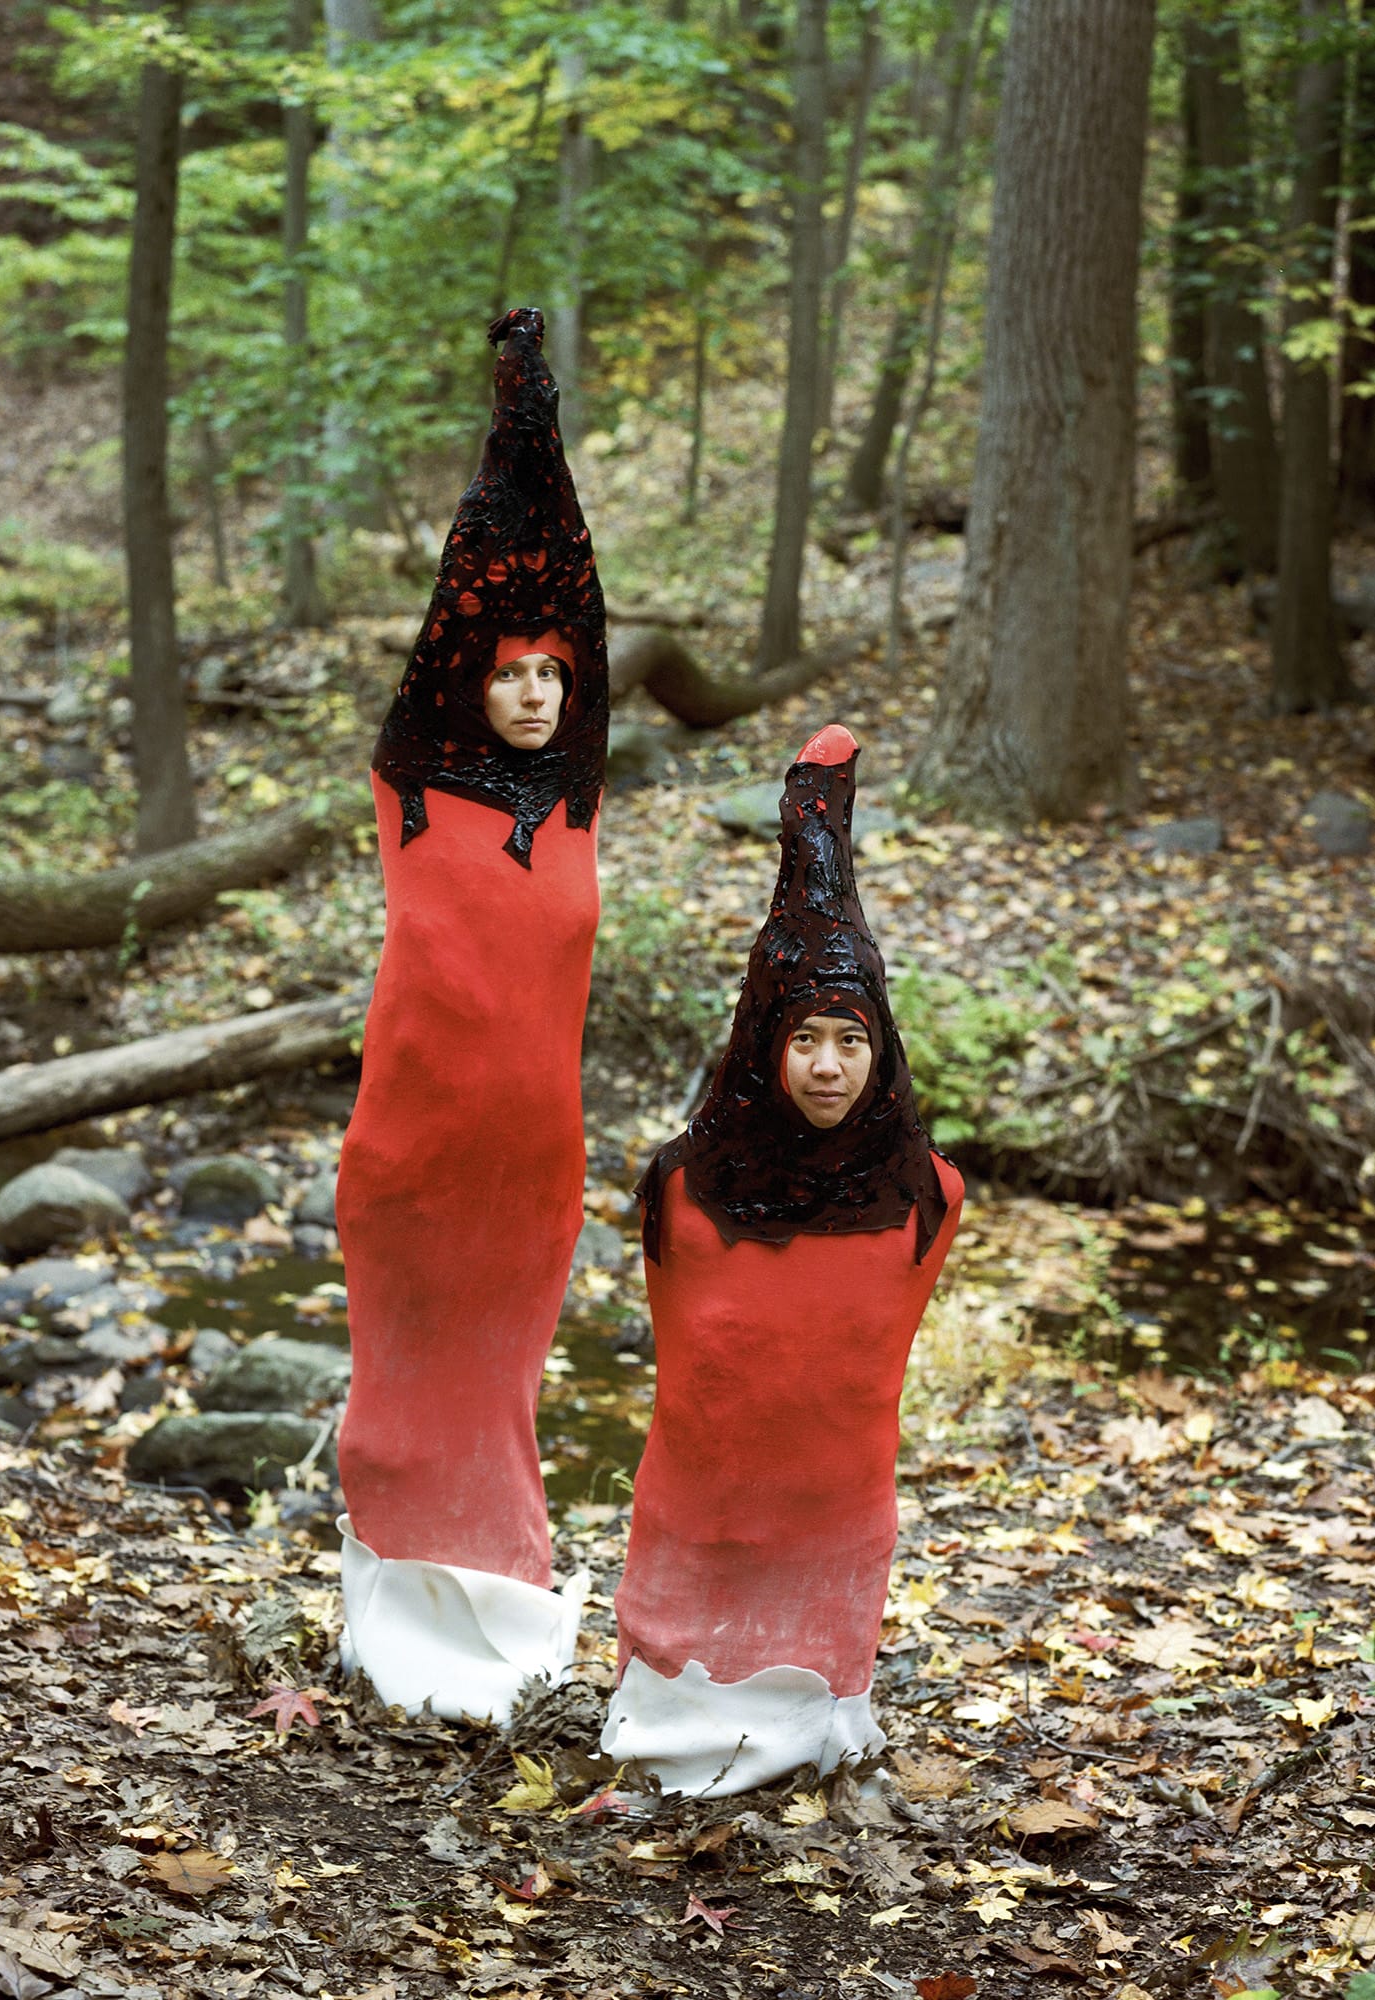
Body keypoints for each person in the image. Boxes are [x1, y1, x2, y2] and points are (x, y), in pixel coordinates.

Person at [601, 723, 964, 1796]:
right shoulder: (682, 1187)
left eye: (850, 1039)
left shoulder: (925, 1196)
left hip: (831, 1547)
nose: (826, 1063)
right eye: (803, 1036)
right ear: (764, 1046)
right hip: (695, 1545)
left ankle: (814, 1727)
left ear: (881, 1050)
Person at [334, 307, 607, 1723]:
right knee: (403, 1398)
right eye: (509, 671)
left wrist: (542, 447)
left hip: (531, 1163)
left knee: (501, 1388)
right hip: (413, 1156)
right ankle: (394, 1629)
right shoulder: (412, 788)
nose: (531, 689)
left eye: (549, 673)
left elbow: (586, 624)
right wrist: (515, 421)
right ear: (470, 683)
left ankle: (497, 1614)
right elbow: (461, 611)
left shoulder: (575, 804)